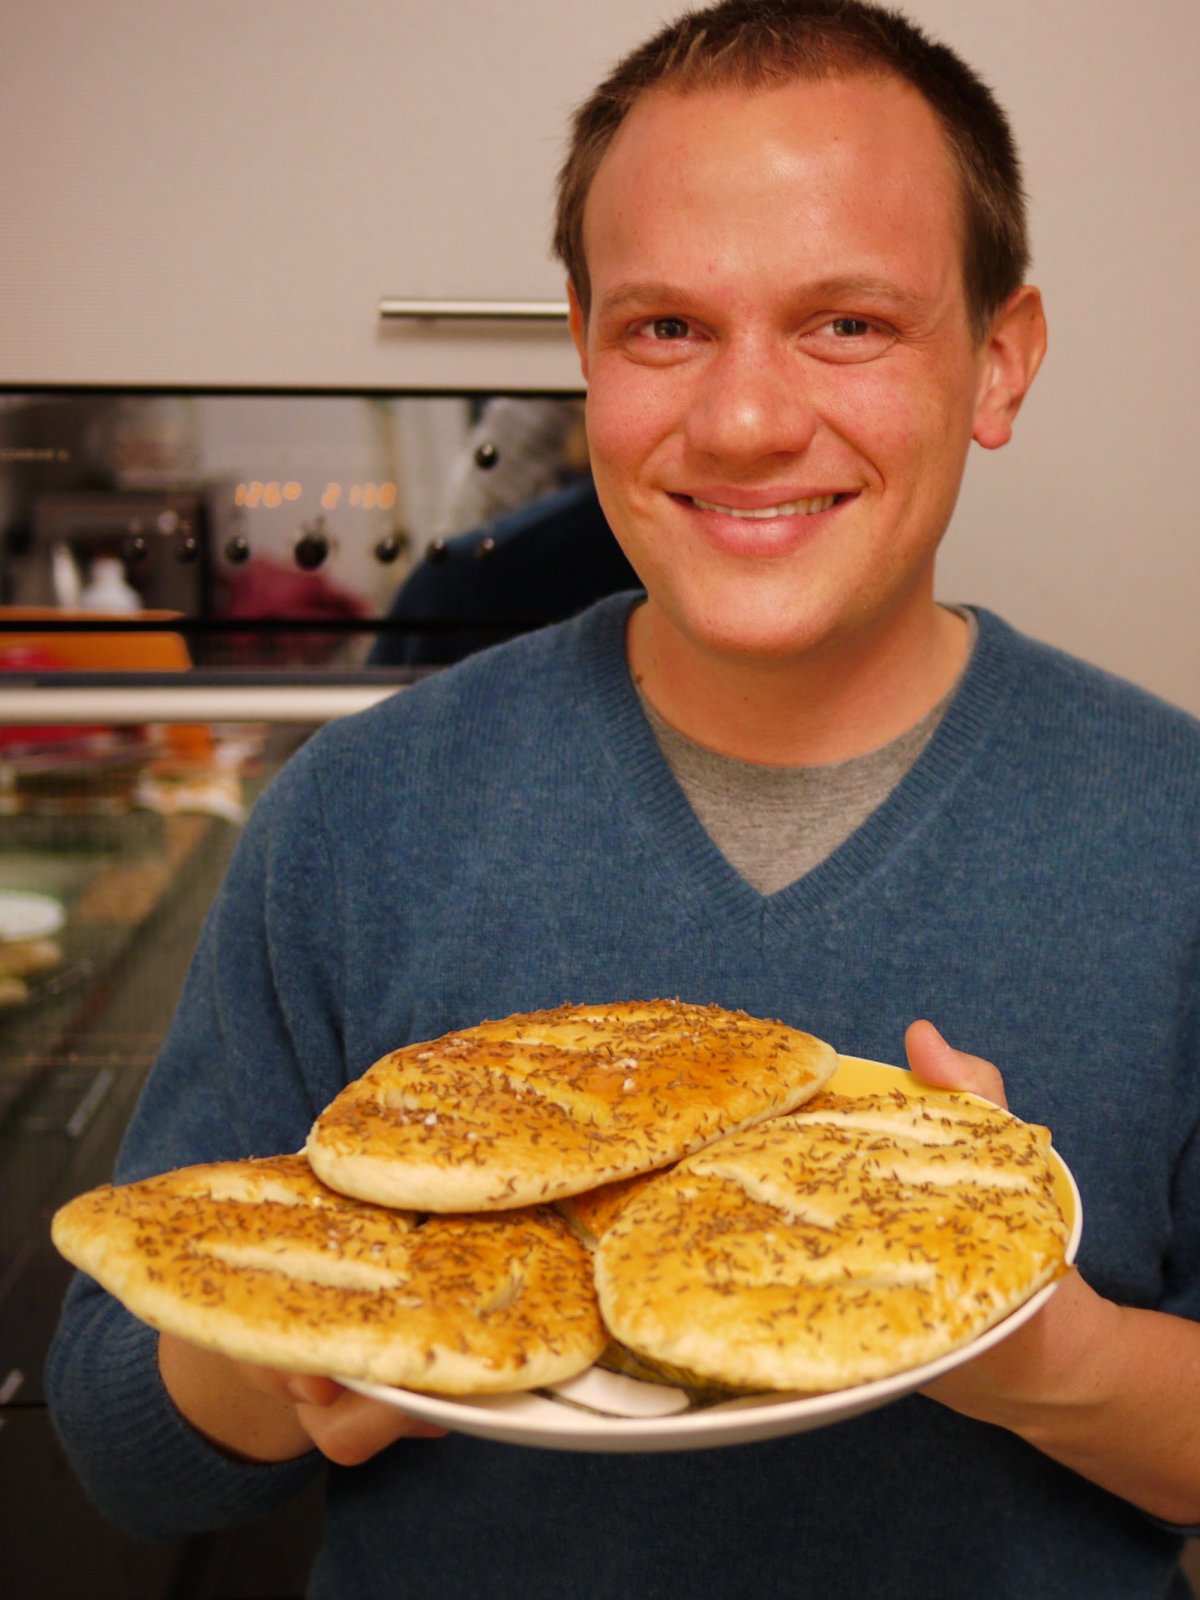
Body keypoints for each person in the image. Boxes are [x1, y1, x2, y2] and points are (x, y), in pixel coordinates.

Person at [46, 2, 1200, 1596]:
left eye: (847, 324)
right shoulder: (361, 814)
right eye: (666, 329)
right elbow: (115, 1439)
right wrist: (311, 1354)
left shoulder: (1178, 835)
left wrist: (1031, 1346)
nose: (741, 420)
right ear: (584, 349)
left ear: (999, 359)